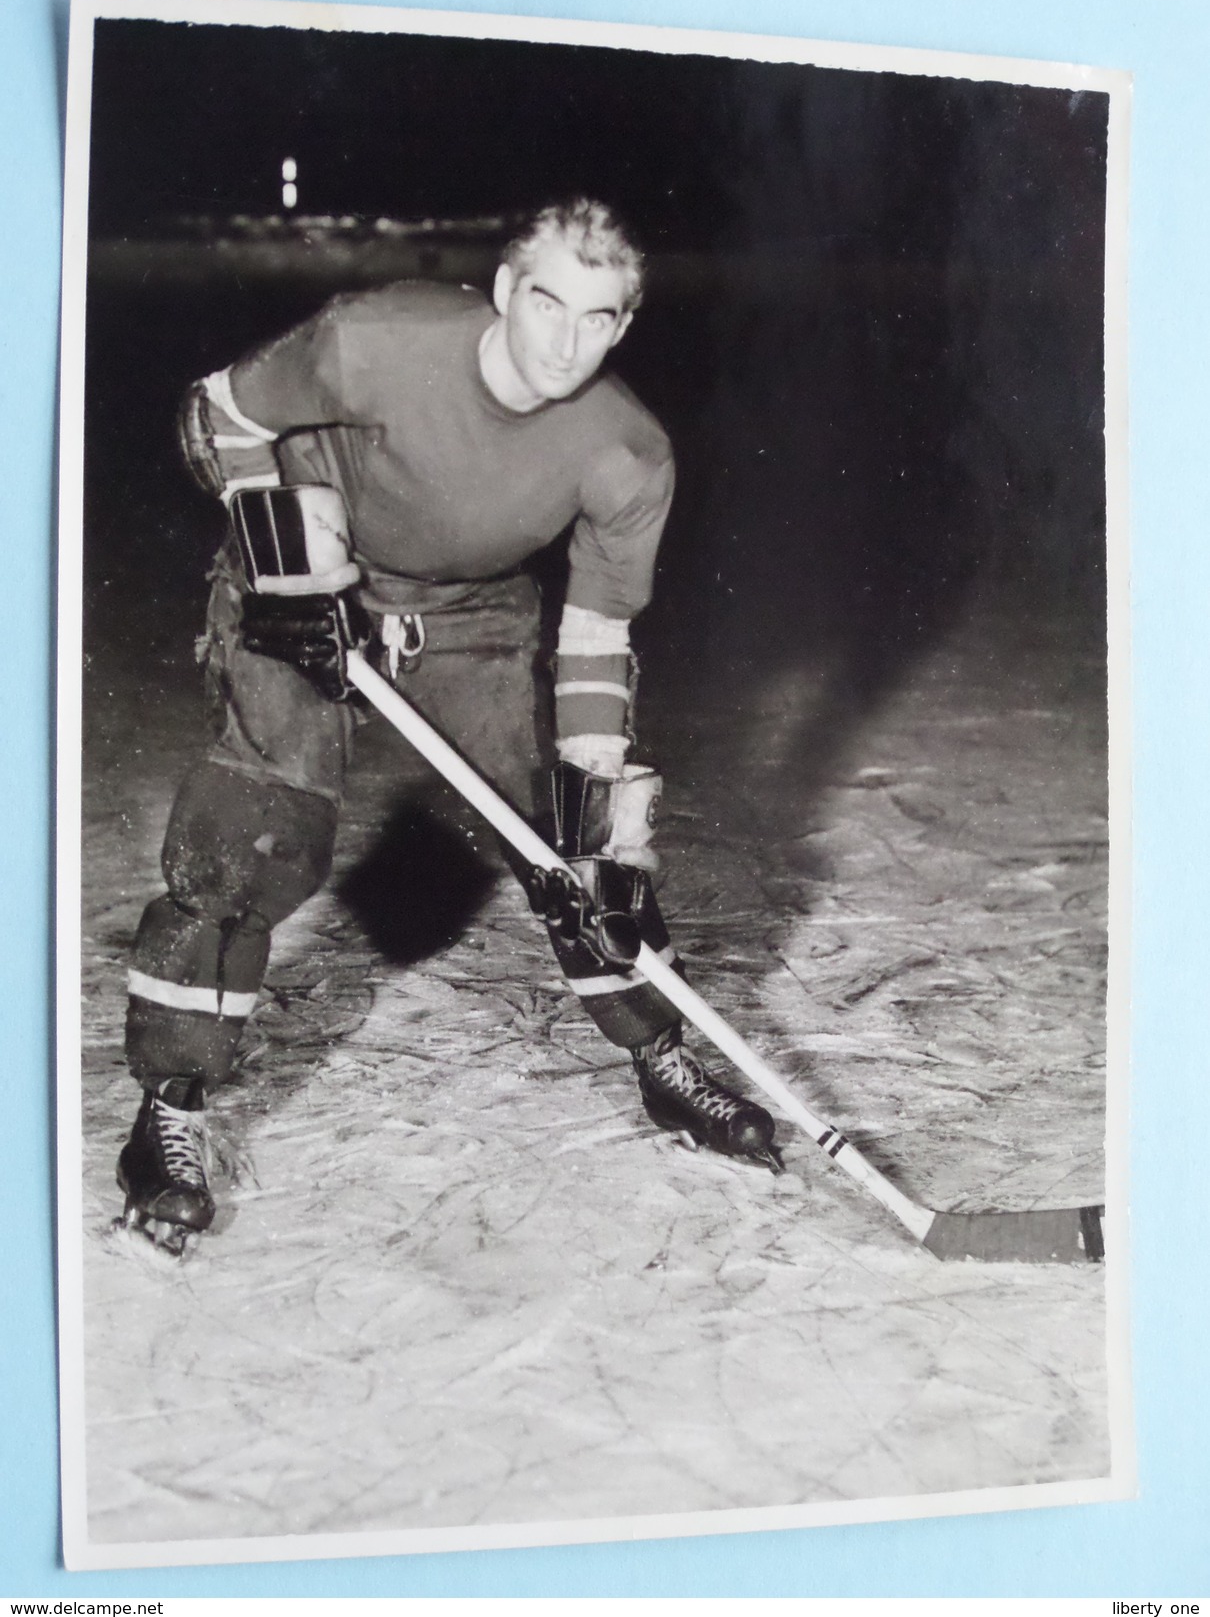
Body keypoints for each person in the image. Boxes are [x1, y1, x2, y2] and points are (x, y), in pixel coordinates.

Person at [117, 197, 782, 1254]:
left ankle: (664, 1060)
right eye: (548, 304)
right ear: (508, 289)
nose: (566, 342)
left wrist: (590, 787)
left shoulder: (627, 453)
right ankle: (170, 1114)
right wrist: (285, 542)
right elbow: (218, 414)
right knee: (256, 835)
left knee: (581, 842)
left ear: (625, 323)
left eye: (599, 318)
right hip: (303, 587)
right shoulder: (373, 340)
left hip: (467, 615)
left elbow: (599, 628)